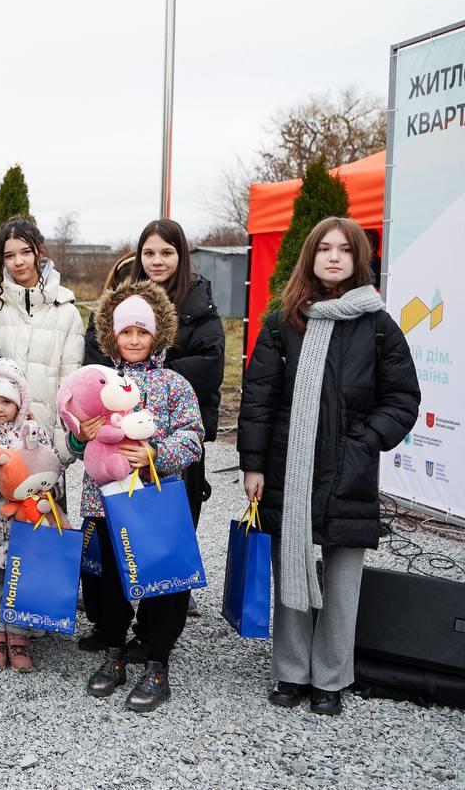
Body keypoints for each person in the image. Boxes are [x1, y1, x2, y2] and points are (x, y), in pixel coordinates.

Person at [239, 217, 418, 717]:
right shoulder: (283, 323)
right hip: (288, 465)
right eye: (324, 249)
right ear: (310, 257)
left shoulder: (378, 326)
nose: (334, 257)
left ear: (360, 259)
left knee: (342, 579)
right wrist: (253, 464)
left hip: (348, 468)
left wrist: (364, 442)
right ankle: (291, 671)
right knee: (289, 567)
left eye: (344, 249)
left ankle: (331, 678)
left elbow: (403, 398)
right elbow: (258, 398)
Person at [82, 219, 224, 643]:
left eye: (167, 252)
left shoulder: (200, 307)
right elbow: (91, 374)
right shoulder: (118, 302)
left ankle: (155, 638)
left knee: (162, 545)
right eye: (149, 252)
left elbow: (207, 371)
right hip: (109, 473)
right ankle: (111, 631)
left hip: (162, 454)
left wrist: (152, 378)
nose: (157, 260)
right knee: (109, 556)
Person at [72, 281, 203, 712]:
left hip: (155, 501)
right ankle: (113, 653)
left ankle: (157, 662)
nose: (133, 340)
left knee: (163, 583)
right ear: (112, 336)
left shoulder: (174, 384)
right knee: (106, 583)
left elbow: (193, 438)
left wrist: (155, 454)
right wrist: (80, 437)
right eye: (125, 332)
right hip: (104, 501)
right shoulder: (96, 382)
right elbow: (75, 440)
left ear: (156, 334)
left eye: (141, 331)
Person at [0, 357, 65, 672]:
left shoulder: (33, 433)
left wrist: (47, 493)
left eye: (6, 401)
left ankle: (19, 635)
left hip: (24, 522)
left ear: (19, 402)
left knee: (20, 578)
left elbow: (53, 469)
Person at [0, 214, 84, 468]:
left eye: (25, 252)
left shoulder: (66, 312)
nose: (18, 261)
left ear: (39, 251)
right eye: (9, 255)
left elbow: (70, 385)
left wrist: (61, 450)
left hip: (44, 446)